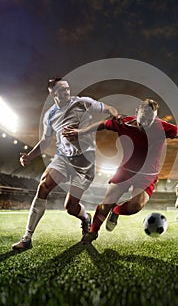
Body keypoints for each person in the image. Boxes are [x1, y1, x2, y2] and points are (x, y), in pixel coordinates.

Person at [63, 98, 178, 244]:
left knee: (135, 207)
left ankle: (116, 211)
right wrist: (80, 132)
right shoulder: (123, 122)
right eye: (144, 118)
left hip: (147, 176)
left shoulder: (161, 127)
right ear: (137, 112)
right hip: (125, 171)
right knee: (105, 205)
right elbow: (103, 124)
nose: (147, 123)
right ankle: (93, 232)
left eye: (151, 119)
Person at [12, 77, 118, 250]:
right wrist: (30, 157)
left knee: (70, 207)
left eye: (68, 88)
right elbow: (46, 141)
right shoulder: (50, 115)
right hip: (63, 158)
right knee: (43, 186)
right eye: (62, 90)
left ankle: (85, 218)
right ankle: (27, 237)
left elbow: (110, 109)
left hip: (85, 163)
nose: (67, 92)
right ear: (53, 93)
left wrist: (114, 116)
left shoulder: (83, 103)